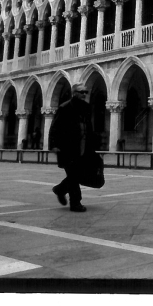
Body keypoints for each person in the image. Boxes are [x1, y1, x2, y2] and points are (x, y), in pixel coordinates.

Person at [49, 83, 95, 212]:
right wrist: (54, 145)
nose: (84, 94)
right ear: (74, 93)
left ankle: (60, 190)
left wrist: (92, 145)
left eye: (86, 92)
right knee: (74, 175)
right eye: (82, 92)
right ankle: (75, 203)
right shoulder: (65, 107)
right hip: (68, 148)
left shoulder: (86, 107)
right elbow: (55, 127)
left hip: (83, 147)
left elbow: (89, 127)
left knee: (78, 174)